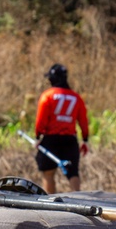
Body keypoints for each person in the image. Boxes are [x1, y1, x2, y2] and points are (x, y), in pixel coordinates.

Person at [32, 64, 90, 194]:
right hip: (70, 140)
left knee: (48, 173)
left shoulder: (47, 96)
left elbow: (41, 120)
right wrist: (85, 139)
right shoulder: (76, 97)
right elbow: (83, 121)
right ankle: (78, 199)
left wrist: (37, 136)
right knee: (73, 172)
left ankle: (50, 201)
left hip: (51, 139)